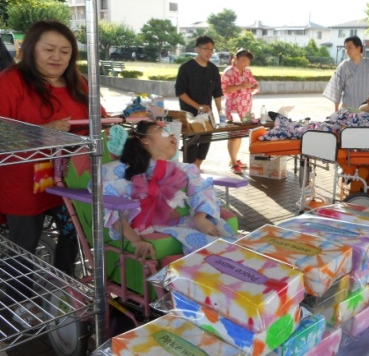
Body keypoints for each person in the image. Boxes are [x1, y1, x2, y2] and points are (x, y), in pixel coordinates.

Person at [0, 20, 101, 281]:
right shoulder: (11, 81)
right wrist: (42, 132)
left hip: (73, 182)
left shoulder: (79, 83)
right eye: (49, 49)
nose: (57, 57)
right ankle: (17, 308)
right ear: (32, 49)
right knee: (22, 253)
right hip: (24, 186)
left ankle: (65, 293)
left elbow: (100, 121)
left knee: (75, 241)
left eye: (65, 51)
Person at [101, 121, 236, 259]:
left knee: (228, 244)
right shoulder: (120, 170)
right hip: (154, 227)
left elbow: (202, 189)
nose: (171, 134)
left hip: (191, 220)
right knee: (221, 253)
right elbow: (111, 207)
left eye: (171, 131)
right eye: (161, 129)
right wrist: (135, 240)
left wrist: (200, 217)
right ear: (145, 140)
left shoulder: (186, 169)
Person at [175, 36, 224, 169]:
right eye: (206, 49)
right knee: (191, 141)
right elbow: (180, 92)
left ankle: (196, 168)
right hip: (189, 114)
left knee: (206, 139)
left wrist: (220, 111)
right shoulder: (186, 68)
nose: (209, 52)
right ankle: (191, 169)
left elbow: (217, 92)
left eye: (212, 49)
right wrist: (197, 106)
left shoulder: (213, 69)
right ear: (197, 49)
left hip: (207, 114)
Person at [221, 48, 259, 174]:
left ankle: (235, 159)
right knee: (234, 134)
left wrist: (254, 86)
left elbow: (255, 85)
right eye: (243, 61)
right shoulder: (228, 72)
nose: (245, 64)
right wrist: (241, 86)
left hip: (246, 107)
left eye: (247, 61)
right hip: (234, 108)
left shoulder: (248, 72)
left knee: (241, 134)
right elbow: (224, 90)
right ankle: (233, 162)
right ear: (235, 58)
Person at [322, 36, 369, 111]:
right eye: (345, 48)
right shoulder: (343, 66)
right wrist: (336, 110)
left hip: (367, 108)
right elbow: (337, 89)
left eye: (350, 47)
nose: (347, 50)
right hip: (348, 108)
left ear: (359, 48)